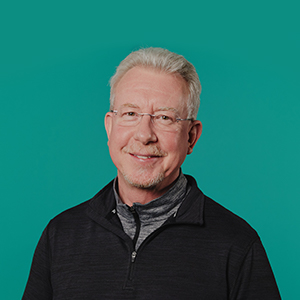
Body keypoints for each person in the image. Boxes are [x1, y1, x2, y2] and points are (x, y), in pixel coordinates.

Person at [22, 47, 281, 299]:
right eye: (130, 113)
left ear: (191, 136)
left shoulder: (237, 244)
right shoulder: (60, 235)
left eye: (165, 118)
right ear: (109, 128)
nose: (145, 135)